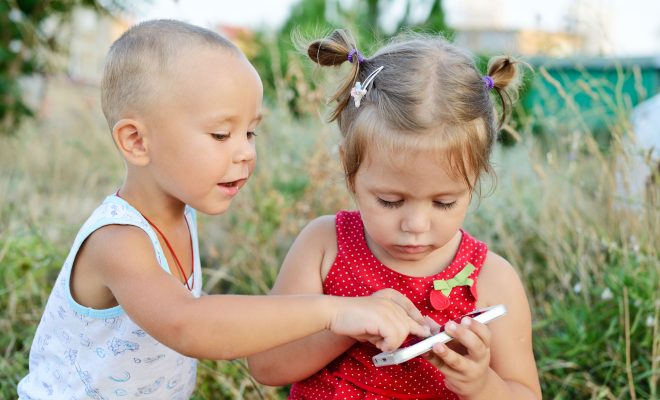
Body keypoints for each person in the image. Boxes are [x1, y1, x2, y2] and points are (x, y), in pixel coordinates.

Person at [16, 20, 433, 400]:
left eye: (250, 132)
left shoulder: (179, 214)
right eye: (220, 134)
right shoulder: (118, 241)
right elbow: (187, 323)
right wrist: (334, 310)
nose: (245, 153)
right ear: (137, 141)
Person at [247, 29, 542, 399]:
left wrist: (481, 384)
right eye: (390, 201)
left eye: (444, 203)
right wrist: (343, 325)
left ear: (475, 181)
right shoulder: (324, 246)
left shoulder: (491, 280)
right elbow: (266, 365)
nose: (415, 226)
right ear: (350, 170)